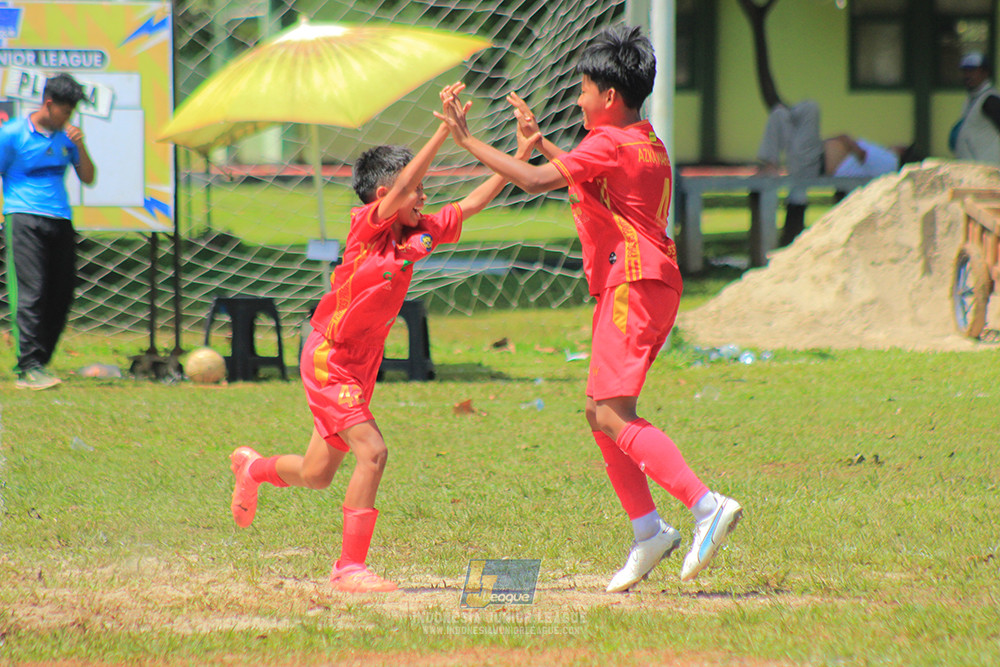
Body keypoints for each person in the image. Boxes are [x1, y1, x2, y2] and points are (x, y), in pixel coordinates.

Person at [435, 26, 743, 591]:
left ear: (609, 96)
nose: (576, 99)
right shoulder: (641, 138)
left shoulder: (606, 144)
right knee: (598, 412)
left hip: (632, 283)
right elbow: (593, 175)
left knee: (612, 413)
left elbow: (531, 181)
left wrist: (467, 143)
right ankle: (649, 531)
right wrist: (544, 140)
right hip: (643, 282)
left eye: (582, 89)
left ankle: (706, 506)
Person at [227, 84, 531, 593]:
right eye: (414, 190)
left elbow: (470, 204)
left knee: (318, 472)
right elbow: (405, 185)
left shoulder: (416, 229)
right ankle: (348, 568)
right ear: (385, 197)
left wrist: (518, 157)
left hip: (361, 365)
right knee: (372, 452)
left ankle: (252, 468)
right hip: (330, 358)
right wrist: (442, 132)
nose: (424, 197)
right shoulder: (367, 228)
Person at [1, 73, 95, 390]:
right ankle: (28, 366)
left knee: (61, 292)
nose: (68, 118)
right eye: (65, 111)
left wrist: (81, 146)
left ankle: (40, 362)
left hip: (60, 218)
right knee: (33, 291)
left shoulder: (67, 137)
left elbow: (88, 177)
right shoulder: (13, 133)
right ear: (49, 103)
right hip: (23, 216)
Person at [755, 100, 823, 246]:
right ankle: (769, 164)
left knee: (807, 108)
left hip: (812, 163)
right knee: (780, 113)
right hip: (807, 161)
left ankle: (769, 164)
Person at [951, 51, 1000, 165]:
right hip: (971, 168)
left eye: (972, 71)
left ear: (985, 73)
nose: (967, 76)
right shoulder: (973, 98)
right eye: (965, 71)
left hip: (987, 168)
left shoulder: (990, 99)